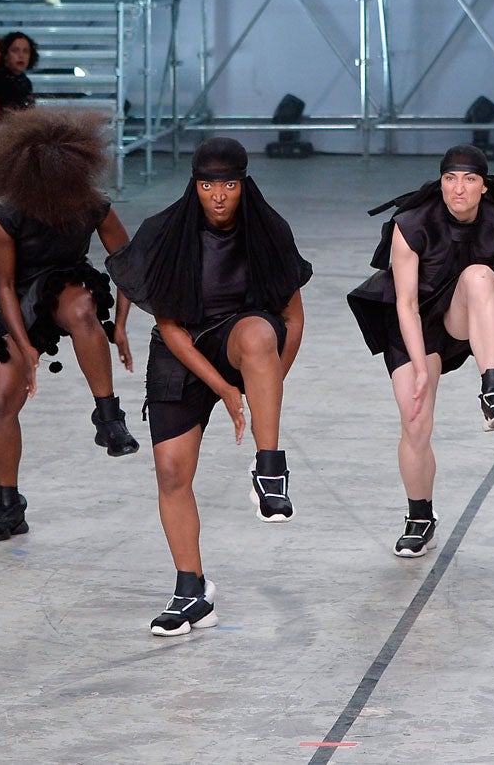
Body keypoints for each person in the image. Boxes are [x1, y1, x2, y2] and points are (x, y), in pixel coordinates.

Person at [107, 138, 312, 635]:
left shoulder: (268, 229)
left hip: (241, 334)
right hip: (181, 350)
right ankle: (191, 590)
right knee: (171, 472)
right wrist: (226, 389)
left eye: (229, 184)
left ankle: (269, 469)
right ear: (193, 185)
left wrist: (266, 386)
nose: (218, 196)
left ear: (244, 184)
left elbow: (294, 319)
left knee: (260, 333)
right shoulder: (164, 232)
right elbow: (172, 328)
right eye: (207, 185)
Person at [348, 145, 494, 556]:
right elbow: (404, 304)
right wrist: (420, 368)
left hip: (466, 317)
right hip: (414, 324)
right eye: (450, 179)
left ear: (485, 188)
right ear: (440, 183)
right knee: (415, 422)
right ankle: (420, 517)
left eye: (469, 180)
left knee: (477, 275)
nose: (459, 188)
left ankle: (493, 390)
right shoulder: (413, 223)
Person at [0, 109, 137, 542]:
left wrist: (121, 325)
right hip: (18, 296)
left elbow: (130, 264)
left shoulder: (92, 204)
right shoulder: (8, 212)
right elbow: (3, 285)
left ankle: (108, 415)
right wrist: (23, 347)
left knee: (80, 310)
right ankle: (9, 505)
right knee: (3, 403)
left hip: (65, 283)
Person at [0, 32, 37, 114]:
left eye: (25, 51)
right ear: (5, 55)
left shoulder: (25, 81)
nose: (21, 55)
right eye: (15, 51)